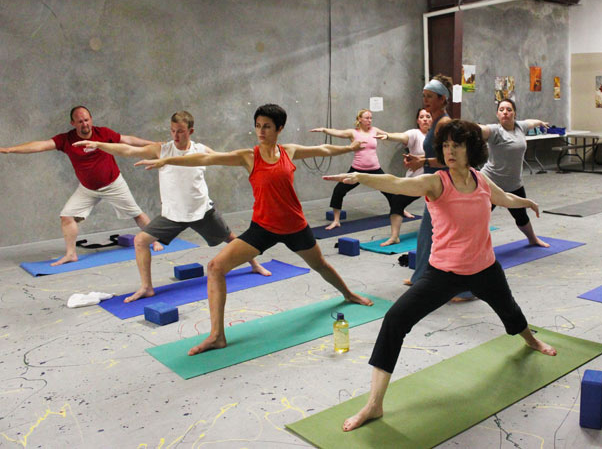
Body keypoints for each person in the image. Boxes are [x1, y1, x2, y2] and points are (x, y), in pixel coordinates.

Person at [323, 119, 557, 432]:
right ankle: (374, 404)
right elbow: (397, 183)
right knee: (395, 320)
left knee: (509, 310)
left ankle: (531, 341)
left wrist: (527, 201)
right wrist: (359, 177)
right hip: (443, 274)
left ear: (470, 149)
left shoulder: (480, 180)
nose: (449, 151)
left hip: (485, 269)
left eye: (456, 145)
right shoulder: (436, 182)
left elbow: (504, 198)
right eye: (445, 145)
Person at [136, 104, 373, 355]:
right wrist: (168, 159)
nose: (260, 131)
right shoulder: (248, 156)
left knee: (321, 265)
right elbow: (206, 158)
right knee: (216, 267)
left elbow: (323, 149)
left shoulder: (288, 152)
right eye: (258, 125)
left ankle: (348, 294)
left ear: (279, 128)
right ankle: (217, 336)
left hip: (295, 226)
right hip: (263, 227)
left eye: (267, 126)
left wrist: (348, 148)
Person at [73, 111, 270, 303]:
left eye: (180, 131)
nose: (175, 135)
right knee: (140, 241)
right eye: (173, 130)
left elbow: (228, 158)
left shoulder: (201, 150)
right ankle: (147, 287)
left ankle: (254, 264)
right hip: (172, 216)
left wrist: (257, 163)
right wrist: (99, 144)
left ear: (190, 131)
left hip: (202, 211)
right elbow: (129, 150)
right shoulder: (163, 149)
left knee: (230, 238)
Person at [0, 106, 162, 265]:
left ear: (91, 120)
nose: (84, 124)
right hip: (88, 189)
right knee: (66, 216)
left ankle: (154, 240)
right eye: (80, 121)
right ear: (73, 123)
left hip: (113, 184)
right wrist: (9, 150)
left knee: (137, 214)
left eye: (86, 120)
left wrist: (154, 144)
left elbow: (129, 140)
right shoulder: (66, 139)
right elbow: (40, 145)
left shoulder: (103, 133)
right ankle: (71, 254)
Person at [402, 75, 453, 287]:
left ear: (442, 99)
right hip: (435, 184)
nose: (425, 100)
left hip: (447, 184)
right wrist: (418, 160)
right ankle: (421, 277)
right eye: (424, 96)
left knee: (442, 236)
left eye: (430, 96)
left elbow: (451, 159)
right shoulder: (434, 122)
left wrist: (420, 161)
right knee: (426, 235)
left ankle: (465, 287)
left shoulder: (445, 123)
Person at [478, 99, 550, 248]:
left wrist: (540, 122)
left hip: (514, 183)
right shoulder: (495, 131)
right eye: (502, 110)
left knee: (521, 215)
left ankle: (533, 239)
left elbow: (530, 122)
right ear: (497, 114)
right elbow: (481, 129)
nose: (505, 112)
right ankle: (471, 246)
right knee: (480, 217)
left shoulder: (519, 127)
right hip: (491, 182)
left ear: (514, 113)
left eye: (509, 109)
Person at [310, 109, 395, 230]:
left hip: (375, 169)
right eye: (366, 118)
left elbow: (389, 135)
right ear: (359, 119)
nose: (369, 120)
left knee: (390, 189)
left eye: (371, 118)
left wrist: (395, 138)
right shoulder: (353, 133)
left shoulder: (374, 130)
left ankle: (399, 211)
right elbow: (337, 133)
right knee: (339, 190)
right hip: (357, 169)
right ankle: (336, 220)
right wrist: (324, 130)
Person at [375, 108, 432, 246]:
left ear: (432, 119)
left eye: (428, 116)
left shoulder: (437, 135)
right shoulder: (414, 134)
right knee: (397, 202)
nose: (425, 119)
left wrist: (421, 159)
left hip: (434, 180)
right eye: (422, 117)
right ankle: (395, 236)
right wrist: (388, 136)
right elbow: (402, 136)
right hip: (416, 181)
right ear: (418, 120)